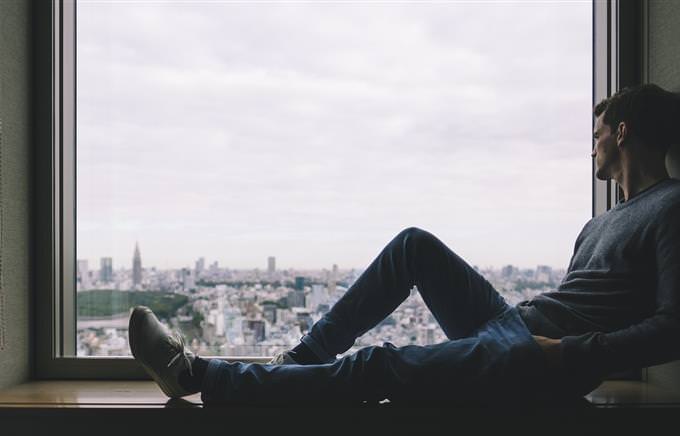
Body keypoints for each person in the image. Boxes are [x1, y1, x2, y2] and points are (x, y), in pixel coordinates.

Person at [129, 83, 680, 407]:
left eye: (597, 134)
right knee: (412, 245)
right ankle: (300, 358)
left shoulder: (670, 207)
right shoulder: (598, 223)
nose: (593, 148)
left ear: (623, 132)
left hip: (541, 358)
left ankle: (196, 376)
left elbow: (672, 326)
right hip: (520, 329)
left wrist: (566, 354)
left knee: (377, 366)